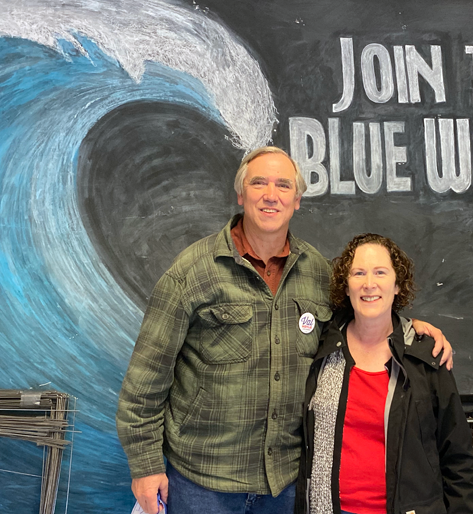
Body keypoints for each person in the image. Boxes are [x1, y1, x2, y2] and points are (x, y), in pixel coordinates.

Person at [116, 147, 454, 514]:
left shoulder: (319, 275)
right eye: (258, 183)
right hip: (203, 483)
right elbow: (144, 383)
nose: (270, 194)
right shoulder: (191, 272)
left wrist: (410, 329)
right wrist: (146, 467)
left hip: (286, 486)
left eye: (283, 185)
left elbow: (367, 313)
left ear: (297, 200)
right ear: (241, 194)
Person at [295, 233, 473, 514]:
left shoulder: (425, 356)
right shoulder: (321, 347)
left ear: (397, 285)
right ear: (346, 286)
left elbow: (458, 456)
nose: (369, 284)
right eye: (359, 273)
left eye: (380, 272)